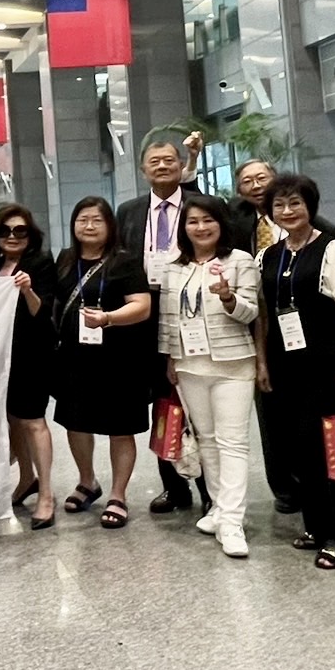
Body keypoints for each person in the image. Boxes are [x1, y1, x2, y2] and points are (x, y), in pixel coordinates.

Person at [255, 174, 335, 570]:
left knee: (323, 451)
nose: (287, 211)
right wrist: (261, 363)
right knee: (295, 452)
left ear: (310, 205)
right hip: (282, 364)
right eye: (279, 205)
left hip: (322, 363)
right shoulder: (268, 256)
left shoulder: (333, 249)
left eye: (295, 203)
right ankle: (315, 526)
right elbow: (264, 315)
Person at [228, 159, 335, 515]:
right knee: (274, 421)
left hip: (318, 345)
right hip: (267, 339)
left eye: (263, 177)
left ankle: (324, 500)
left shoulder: (326, 234)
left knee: (314, 428)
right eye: (248, 180)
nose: (256, 184)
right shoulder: (241, 229)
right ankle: (286, 490)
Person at [158, 195, 260, 558]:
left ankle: (233, 521)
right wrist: (171, 358)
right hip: (189, 365)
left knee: (233, 442)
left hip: (233, 364)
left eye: (208, 221)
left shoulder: (240, 261)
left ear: (222, 224)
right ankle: (218, 507)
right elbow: (169, 319)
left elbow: (250, 313)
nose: (201, 228)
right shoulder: (174, 268)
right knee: (208, 441)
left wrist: (229, 298)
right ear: (183, 229)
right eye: (193, 222)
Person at [114, 139, 211, 515]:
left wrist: (195, 158)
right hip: (144, 312)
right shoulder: (130, 211)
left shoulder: (197, 206)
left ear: (180, 167)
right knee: (162, 404)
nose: (162, 166)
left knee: (195, 398)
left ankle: (208, 489)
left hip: (192, 309)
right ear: (143, 170)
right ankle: (173, 486)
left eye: (169, 160)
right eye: (154, 162)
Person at [52, 196, 154, 529]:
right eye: (83, 219)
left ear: (110, 225)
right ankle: (87, 482)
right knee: (75, 422)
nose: (90, 226)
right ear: (73, 225)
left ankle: (118, 494)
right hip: (74, 357)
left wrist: (108, 318)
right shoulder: (66, 259)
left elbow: (141, 306)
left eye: (97, 220)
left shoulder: (124, 261)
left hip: (119, 359)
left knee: (119, 428)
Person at [0, 204, 57, 529]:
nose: (12, 236)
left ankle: (47, 494)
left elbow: (42, 310)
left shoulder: (40, 263)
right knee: (12, 421)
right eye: (6, 231)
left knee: (34, 421)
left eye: (20, 231)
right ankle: (26, 479)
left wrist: (27, 289)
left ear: (29, 235)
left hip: (31, 353)